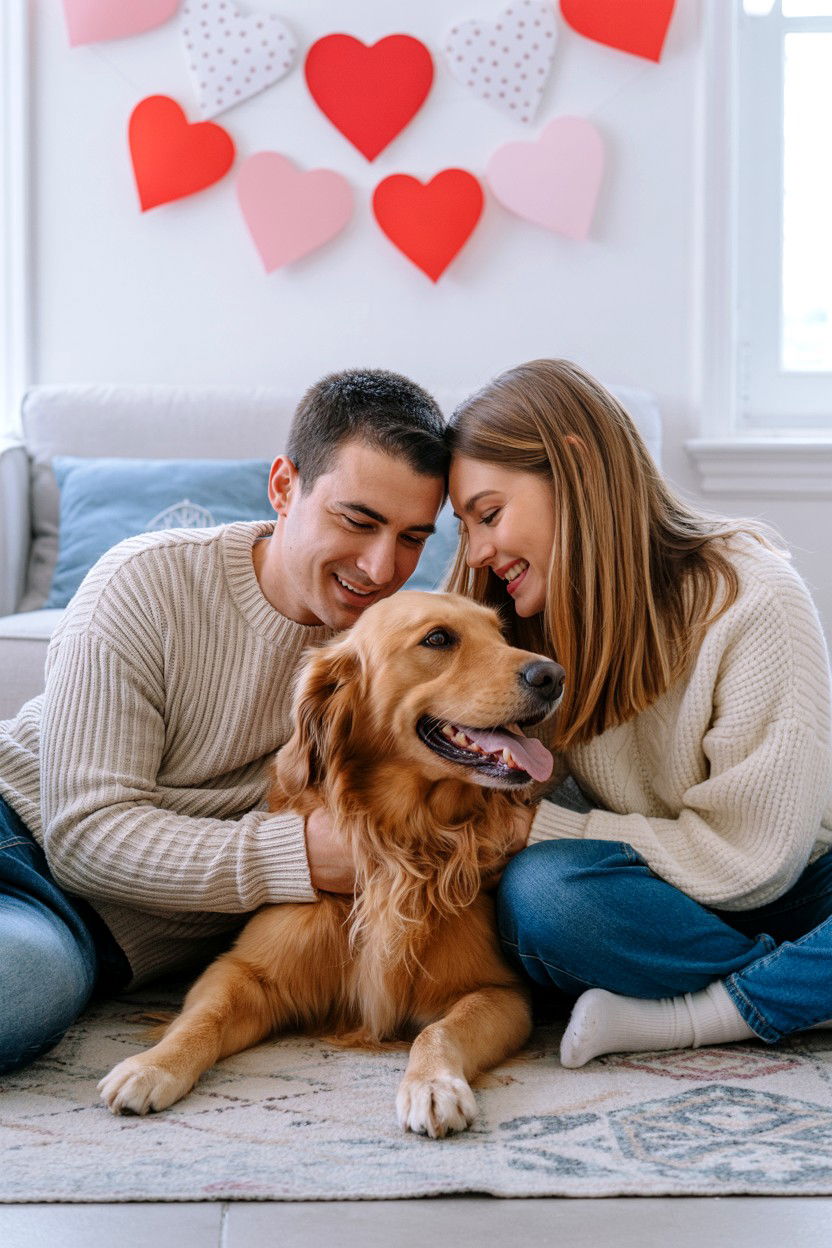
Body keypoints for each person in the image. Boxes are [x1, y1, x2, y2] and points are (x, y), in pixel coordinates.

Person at [0, 368, 449, 1075]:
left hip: (92, 938)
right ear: (283, 487)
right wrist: (298, 855)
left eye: (413, 538)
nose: (380, 565)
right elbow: (83, 833)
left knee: (20, 990)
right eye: (358, 520)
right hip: (18, 830)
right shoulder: (149, 582)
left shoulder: (400, 649)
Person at [446, 357, 832, 1067]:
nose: (477, 550)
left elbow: (758, 863)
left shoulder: (755, 598)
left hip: (793, 881)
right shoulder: (521, 623)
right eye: (465, 525)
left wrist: (543, 825)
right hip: (647, 892)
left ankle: (707, 1013)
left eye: (490, 514)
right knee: (544, 900)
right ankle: (797, 986)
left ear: (574, 469)